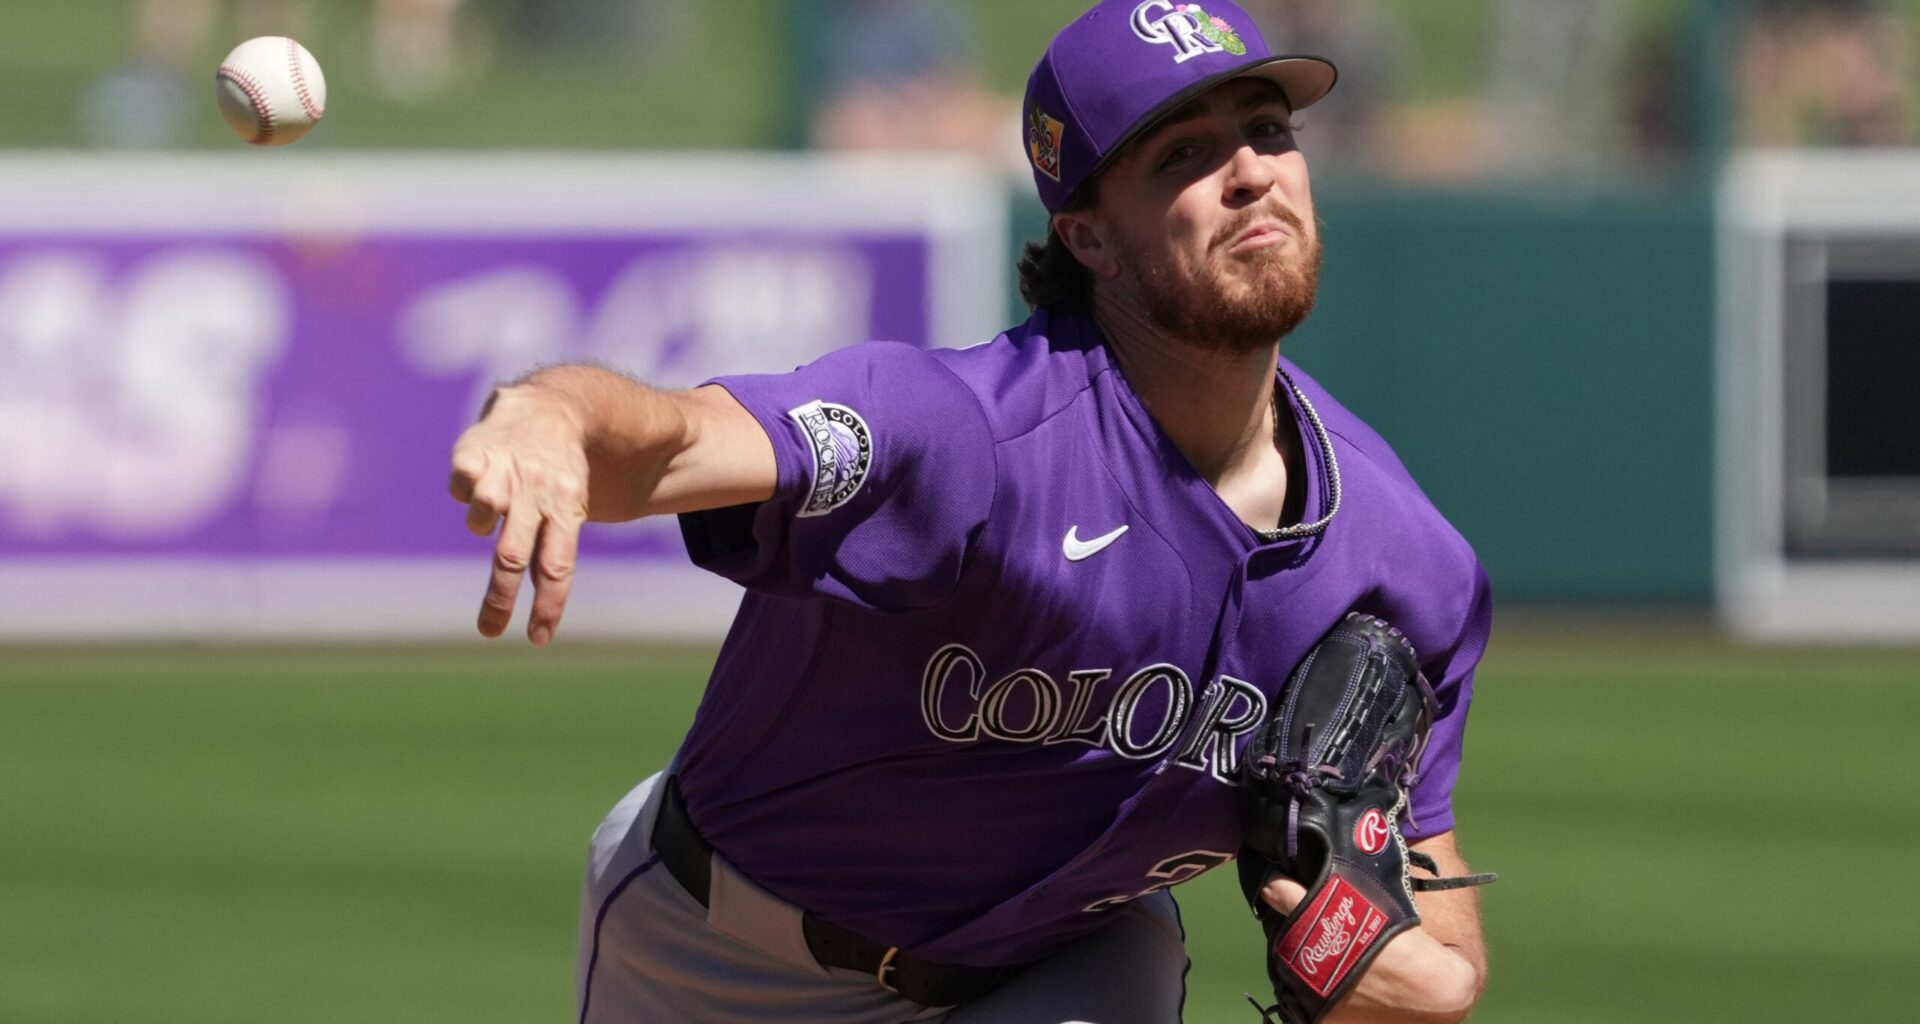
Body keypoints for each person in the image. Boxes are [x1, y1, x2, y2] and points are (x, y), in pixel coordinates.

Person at [448, 1, 1492, 1020]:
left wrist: (1399, 974)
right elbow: (676, 440)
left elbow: (1441, 957)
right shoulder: (970, 439)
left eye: (1268, 132)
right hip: (724, 953)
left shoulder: (1405, 563)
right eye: (1184, 154)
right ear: (1090, 237)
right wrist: (551, 409)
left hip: (1062, 966)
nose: (1252, 173)